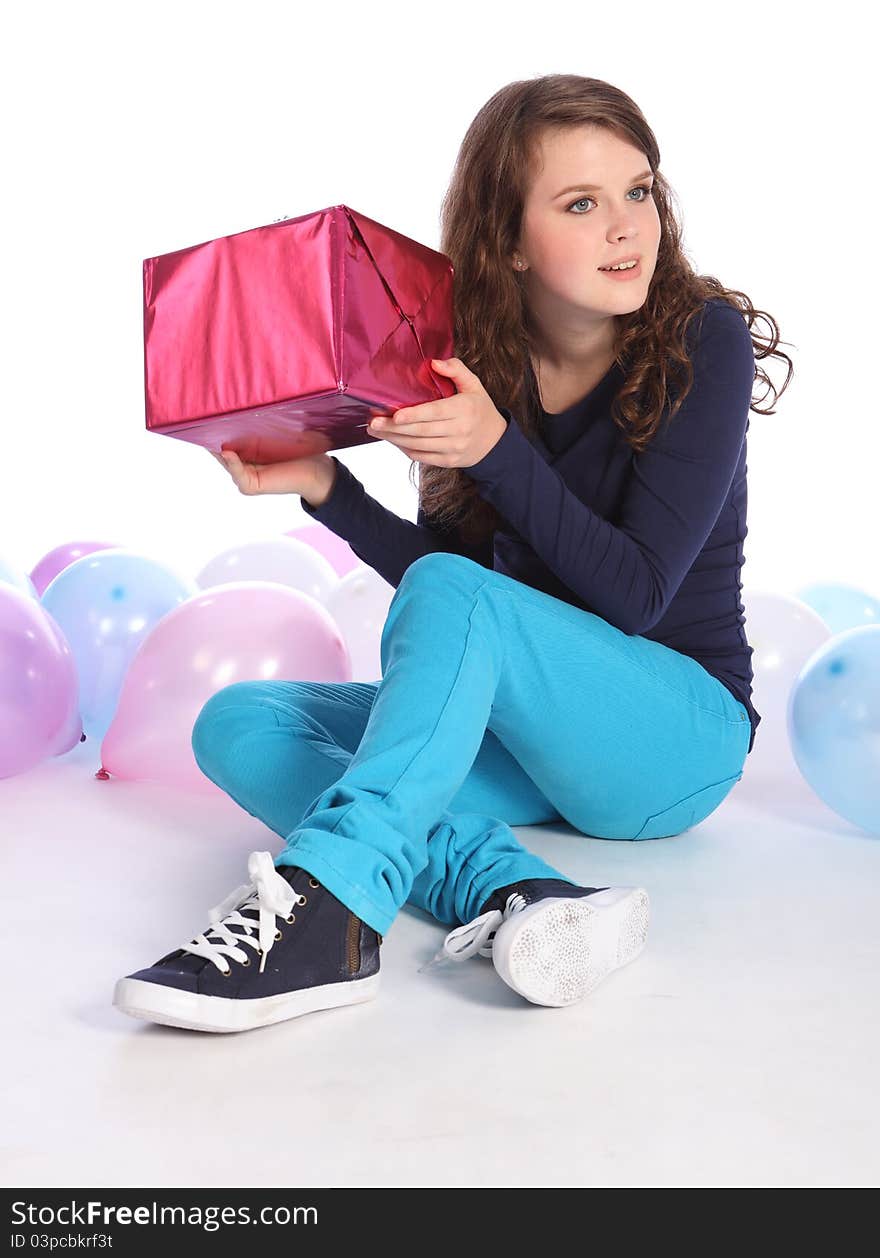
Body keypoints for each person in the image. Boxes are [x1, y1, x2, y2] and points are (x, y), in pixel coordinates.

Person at [113, 73, 793, 1034]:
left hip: (675, 739)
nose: (626, 228)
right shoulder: (476, 366)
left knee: (449, 592)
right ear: (508, 241)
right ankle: (520, 895)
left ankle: (333, 915)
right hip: (539, 743)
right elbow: (465, 603)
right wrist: (327, 490)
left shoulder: (702, 341)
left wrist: (496, 452)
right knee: (240, 720)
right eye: (581, 203)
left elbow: (633, 597)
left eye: (638, 191)